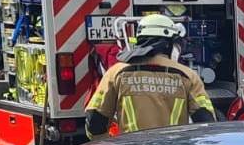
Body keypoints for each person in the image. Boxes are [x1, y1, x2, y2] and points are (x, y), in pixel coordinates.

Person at [86, 14, 216, 138]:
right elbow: (206, 122)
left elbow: (95, 122)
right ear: (169, 44)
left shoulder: (116, 73)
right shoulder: (187, 76)